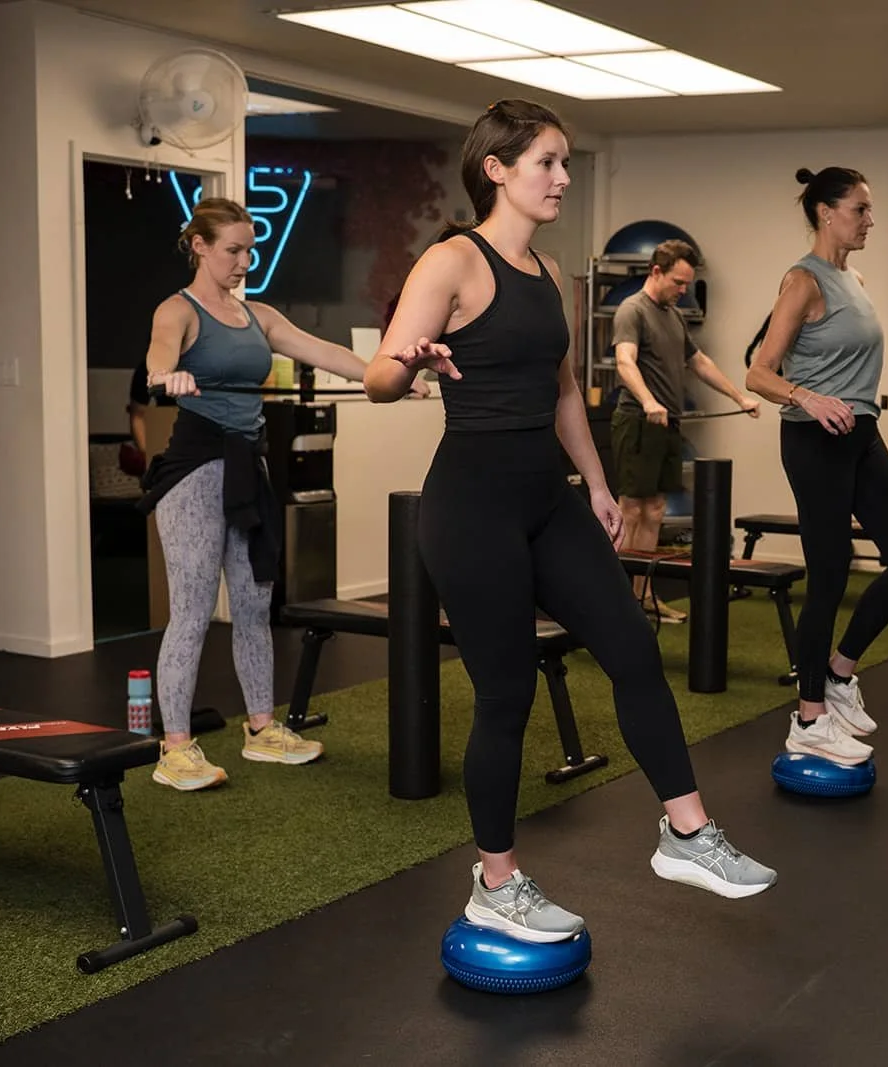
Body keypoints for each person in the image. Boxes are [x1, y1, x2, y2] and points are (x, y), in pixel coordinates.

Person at [364, 99, 776, 942]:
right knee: (506, 693)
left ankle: (688, 832)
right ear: (498, 169)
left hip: (547, 496)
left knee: (630, 645)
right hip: (471, 502)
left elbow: (561, 391)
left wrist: (594, 482)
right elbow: (377, 373)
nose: (560, 177)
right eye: (547, 162)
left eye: (564, 162)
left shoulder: (551, 275)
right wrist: (411, 360)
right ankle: (496, 879)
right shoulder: (451, 262)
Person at [138, 196, 395, 791]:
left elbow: (323, 351)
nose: (244, 261)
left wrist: (388, 376)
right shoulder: (178, 311)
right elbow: (157, 359)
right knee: (194, 611)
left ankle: (261, 729)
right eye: (233, 249)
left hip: (248, 470)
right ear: (199, 247)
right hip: (196, 472)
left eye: (251, 249)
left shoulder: (259, 315)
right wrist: (166, 377)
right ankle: (174, 748)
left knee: (255, 605)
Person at [744, 166, 888, 768]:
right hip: (813, 440)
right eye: (860, 209)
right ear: (826, 212)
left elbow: (854, 376)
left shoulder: (856, 278)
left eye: (869, 209)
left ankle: (840, 671)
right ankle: (808, 718)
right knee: (828, 575)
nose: (870, 219)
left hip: (859, 435)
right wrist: (804, 396)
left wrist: (877, 437)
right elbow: (759, 371)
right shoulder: (804, 280)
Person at [612, 239, 759, 622]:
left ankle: (643, 597)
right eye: (678, 282)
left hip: (667, 422)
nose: (683, 290)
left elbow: (699, 362)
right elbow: (625, 362)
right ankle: (615, 603)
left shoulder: (673, 315)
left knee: (656, 509)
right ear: (656, 271)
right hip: (638, 421)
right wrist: (647, 400)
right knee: (630, 511)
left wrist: (738, 397)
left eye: (687, 284)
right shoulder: (633, 311)